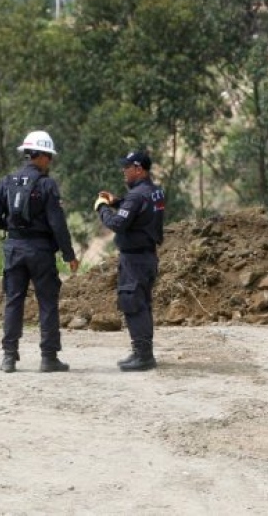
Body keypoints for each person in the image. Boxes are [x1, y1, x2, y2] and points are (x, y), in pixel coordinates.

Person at [0, 130, 79, 373]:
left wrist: (12, 227)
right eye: (50, 157)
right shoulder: (47, 184)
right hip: (40, 252)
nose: (50, 163)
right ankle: (48, 358)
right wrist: (69, 255)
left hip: (14, 249)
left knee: (14, 301)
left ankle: (9, 357)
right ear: (43, 156)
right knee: (47, 302)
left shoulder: (8, 182)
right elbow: (58, 224)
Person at [95, 149, 165, 372]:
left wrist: (102, 207)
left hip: (134, 260)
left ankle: (143, 356)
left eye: (126, 168)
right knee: (142, 305)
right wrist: (117, 201)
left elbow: (117, 224)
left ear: (138, 169)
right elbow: (138, 209)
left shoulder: (136, 196)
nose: (123, 172)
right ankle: (142, 352)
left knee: (133, 304)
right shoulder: (155, 192)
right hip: (147, 256)